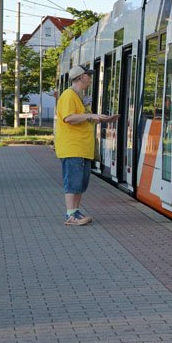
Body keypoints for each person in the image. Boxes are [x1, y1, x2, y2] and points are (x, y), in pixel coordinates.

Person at [55, 65, 118, 226]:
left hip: (83, 147)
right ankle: (70, 215)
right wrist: (90, 114)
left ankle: (75, 211)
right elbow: (68, 118)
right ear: (81, 77)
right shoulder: (68, 95)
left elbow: (83, 118)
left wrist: (102, 119)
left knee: (81, 183)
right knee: (73, 181)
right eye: (88, 76)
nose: (90, 78)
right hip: (72, 147)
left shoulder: (79, 96)